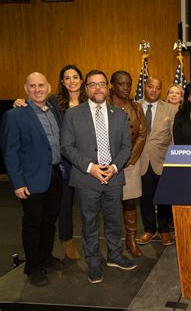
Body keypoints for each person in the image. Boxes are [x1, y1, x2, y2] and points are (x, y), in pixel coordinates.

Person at [61, 70, 135, 284]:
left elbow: (125, 146)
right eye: (93, 85)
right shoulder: (73, 115)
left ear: (107, 87)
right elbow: (66, 147)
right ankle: (93, 263)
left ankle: (114, 255)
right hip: (86, 179)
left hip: (114, 177)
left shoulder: (119, 115)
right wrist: (91, 167)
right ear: (86, 88)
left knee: (113, 221)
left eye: (102, 84)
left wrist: (113, 167)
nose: (98, 88)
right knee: (89, 223)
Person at [13, 65, 88, 260]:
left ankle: (89, 243)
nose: (71, 81)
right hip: (62, 163)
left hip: (87, 161)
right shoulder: (54, 102)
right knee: (62, 207)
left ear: (82, 80)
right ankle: (66, 241)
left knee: (87, 205)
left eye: (75, 77)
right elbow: (33, 105)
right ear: (62, 82)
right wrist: (19, 102)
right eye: (67, 78)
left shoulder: (90, 100)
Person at [2, 72, 63, 286]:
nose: (37, 89)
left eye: (41, 85)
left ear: (48, 88)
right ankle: (33, 267)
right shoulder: (15, 115)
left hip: (55, 175)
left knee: (49, 220)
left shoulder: (54, 110)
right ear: (26, 89)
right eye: (32, 86)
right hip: (31, 179)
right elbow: (10, 152)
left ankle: (46, 257)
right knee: (32, 224)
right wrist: (18, 183)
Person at [109, 71, 147, 257]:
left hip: (130, 163)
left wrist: (129, 159)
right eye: (121, 84)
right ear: (113, 85)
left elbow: (142, 133)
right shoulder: (103, 105)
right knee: (110, 203)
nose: (125, 88)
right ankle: (113, 242)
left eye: (128, 84)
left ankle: (131, 239)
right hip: (107, 164)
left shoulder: (136, 106)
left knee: (130, 202)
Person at [137, 77, 178, 246]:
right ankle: (149, 229)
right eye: (150, 87)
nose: (154, 90)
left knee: (163, 198)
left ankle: (164, 230)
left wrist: (174, 162)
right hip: (140, 160)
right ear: (145, 87)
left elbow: (173, 139)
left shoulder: (170, 109)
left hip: (162, 161)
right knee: (145, 198)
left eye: (158, 87)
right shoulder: (134, 106)